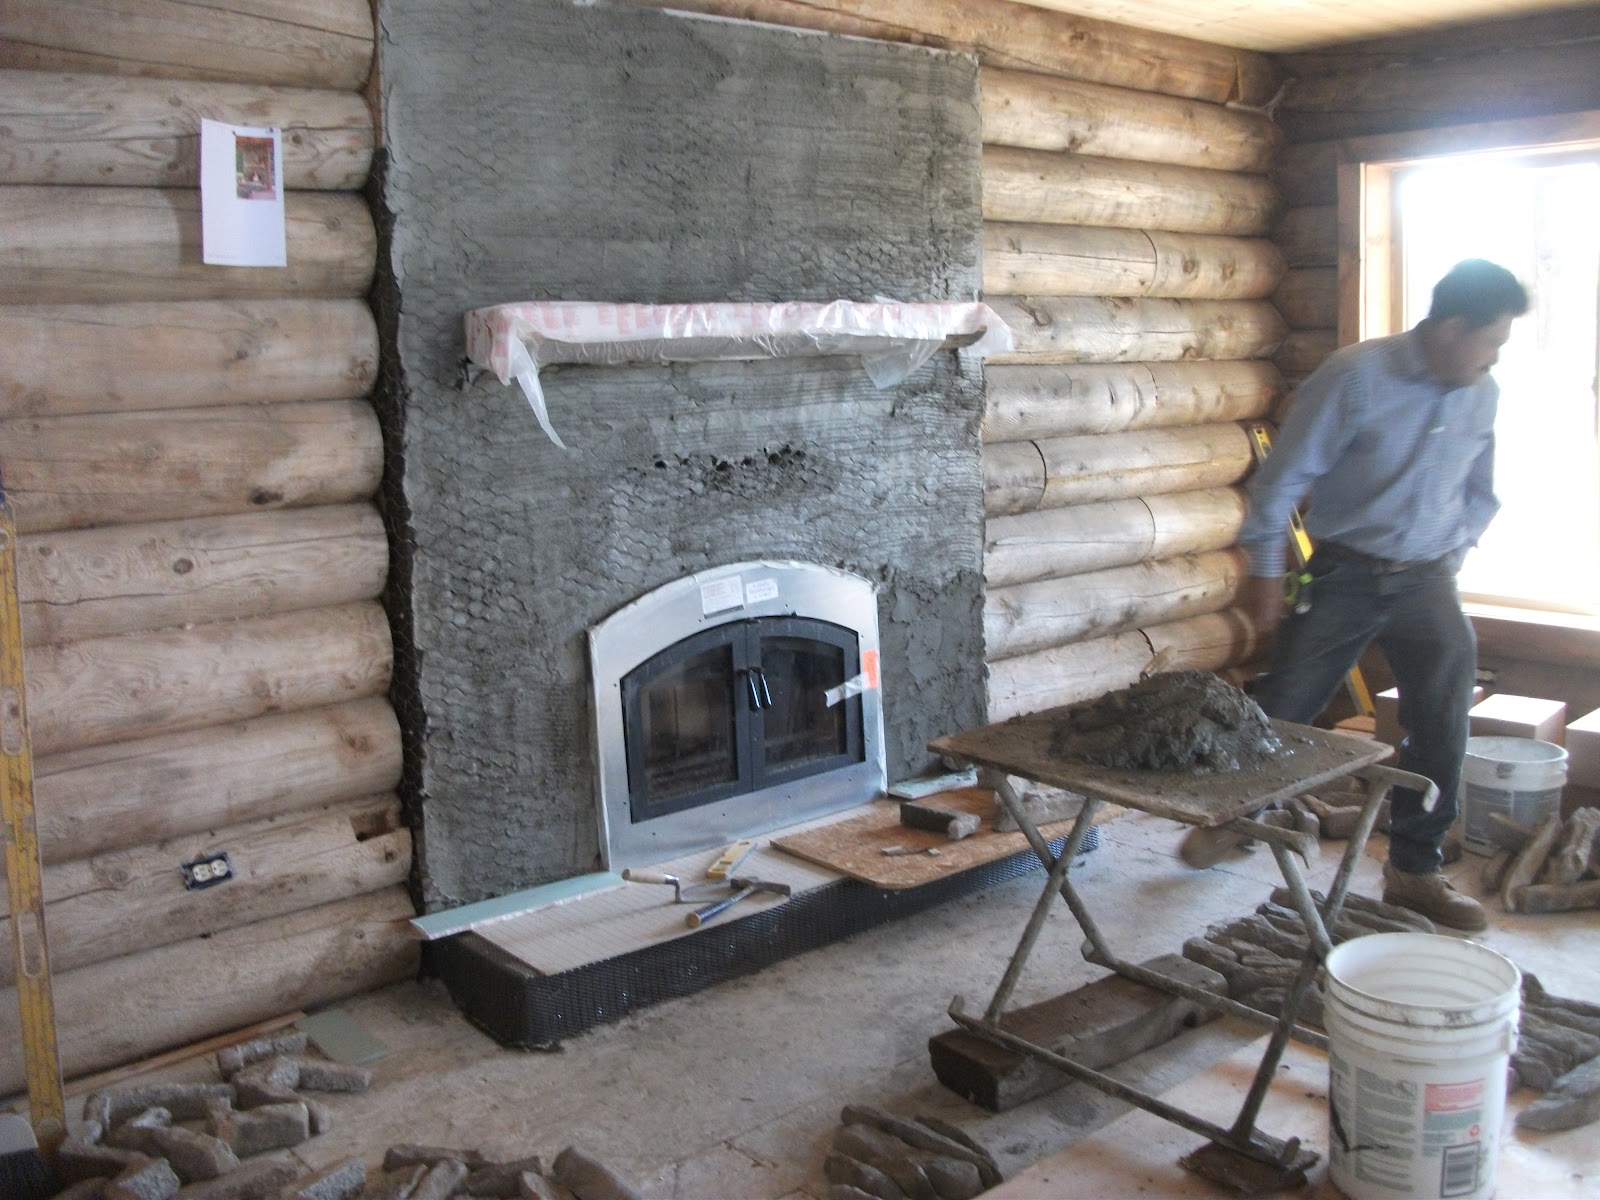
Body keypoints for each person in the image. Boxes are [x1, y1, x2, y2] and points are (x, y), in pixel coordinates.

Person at [1180, 259, 1529, 931]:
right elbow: (1282, 478)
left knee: (1443, 713)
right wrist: (1266, 570)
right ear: (1454, 328)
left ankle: (1414, 873)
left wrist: (1452, 549)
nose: (1494, 359)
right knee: (1286, 707)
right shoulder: (1356, 376)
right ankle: (1233, 819)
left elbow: (1481, 489)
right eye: (1491, 342)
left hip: (1427, 578)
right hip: (1344, 572)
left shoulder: (1482, 393)